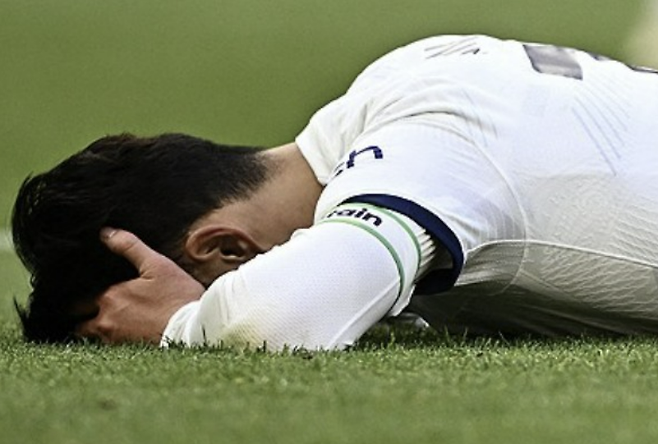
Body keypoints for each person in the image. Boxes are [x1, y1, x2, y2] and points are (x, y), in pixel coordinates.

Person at [12, 34, 658, 350]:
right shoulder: (405, 72)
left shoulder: (420, 147)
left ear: (226, 249)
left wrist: (179, 323)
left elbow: (283, 317)